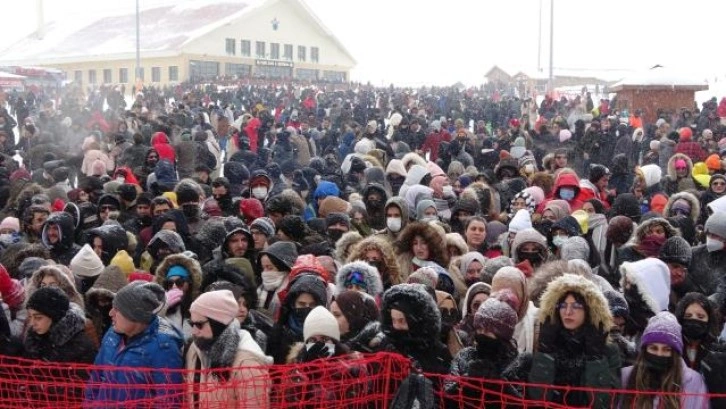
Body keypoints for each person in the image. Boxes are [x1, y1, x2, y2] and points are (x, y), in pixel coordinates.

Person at [527, 274, 620, 407]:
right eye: (563, 305)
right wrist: (544, 352)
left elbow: (604, 403)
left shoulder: (608, 349)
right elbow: (537, 397)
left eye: (576, 306)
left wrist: (595, 359)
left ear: (590, 310)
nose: (568, 312)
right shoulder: (549, 341)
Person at [86, 281, 184, 406]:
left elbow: (168, 402)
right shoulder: (113, 333)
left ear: (136, 316)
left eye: (117, 310)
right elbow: (96, 378)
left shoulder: (164, 347)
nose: (110, 313)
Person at [185, 290, 271, 408]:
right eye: (192, 324)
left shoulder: (248, 364)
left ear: (218, 323)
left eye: (199, 324)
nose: (194, 331)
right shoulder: (196, 349)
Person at [621, 312, 709, 409]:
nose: (659, 354)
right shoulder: (626, 376)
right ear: (644, 350)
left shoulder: (693, 381)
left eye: (667, 350)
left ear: (675, 353)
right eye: (654, 348)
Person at [674, 293, 720, 371]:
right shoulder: (671, 347)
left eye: (700, 317)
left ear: (709, 320)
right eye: (688, 316)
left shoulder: (716, 352)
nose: (694, 320)